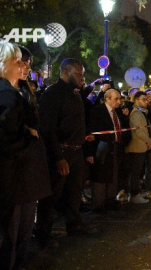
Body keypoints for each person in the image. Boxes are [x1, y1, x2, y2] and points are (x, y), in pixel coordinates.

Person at [37, 58, 97, 249]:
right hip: (61, 151)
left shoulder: (75, 94)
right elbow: (48, 129)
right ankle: (43, 233)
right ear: (65, 72)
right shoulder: (52, 94)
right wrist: (58, 157)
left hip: (76, 151)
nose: (82, 78)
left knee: (74, 192)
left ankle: (74, 223)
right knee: (52, 195)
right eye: (79, 73)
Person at [0, 42, 50, 269]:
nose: (24, 66)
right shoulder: (7, 96)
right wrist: (31, 138)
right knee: (11, 240)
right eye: (17, 61)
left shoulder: (17, 91)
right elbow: (8, 142)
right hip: (13, 181)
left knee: (19, 239)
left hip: (23, 180)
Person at [86, 89, 130, 213]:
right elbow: (91, 132)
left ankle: (110, 200)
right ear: (107, 99)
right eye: (116, 99)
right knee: (100, 176)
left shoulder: (118, 113)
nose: (119, 101)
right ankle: (99, 203)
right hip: (101, 147)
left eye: (119, 98)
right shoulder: (97, 111)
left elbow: (123, 128)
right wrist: (89, 152)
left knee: (113, 174)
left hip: (116, 148)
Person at [125, 91, 151, 204]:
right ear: (136, 100)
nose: (146, 101)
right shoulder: (136, 113)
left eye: (146, 99)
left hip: (141, 146)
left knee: (137, 171)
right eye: (143, 99)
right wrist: (149, 141)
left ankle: (136, 192)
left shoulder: (142, 113)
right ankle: (134, 194)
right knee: (135, 172)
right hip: (136, 147)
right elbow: (139, 131)